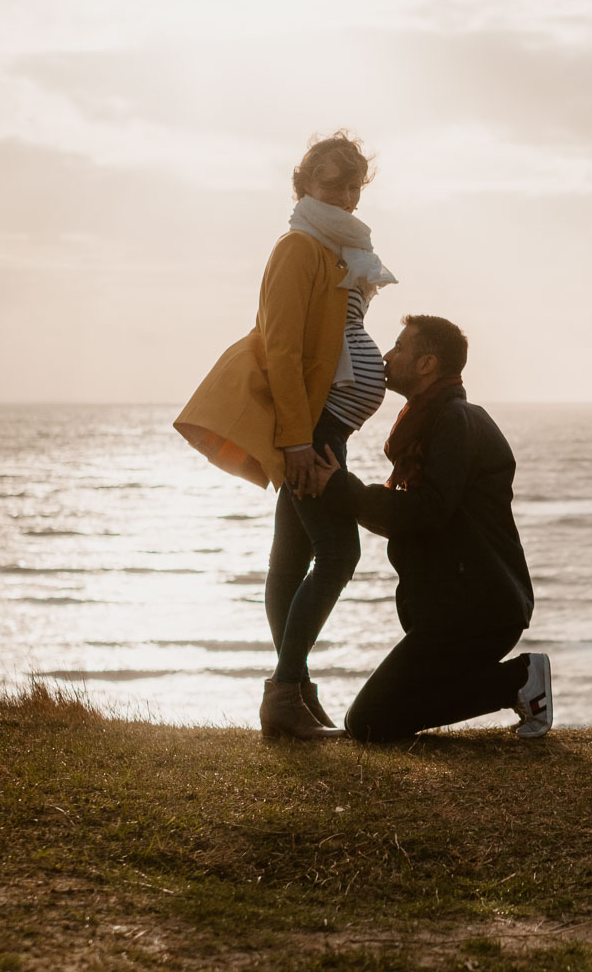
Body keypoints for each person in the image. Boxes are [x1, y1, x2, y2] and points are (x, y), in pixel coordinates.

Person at [174, 131, 396, 741]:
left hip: (328, 424)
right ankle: (285, 693)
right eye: (333, 185)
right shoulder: (300, 248)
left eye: (354, 185)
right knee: (340, 554)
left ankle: (294, 694)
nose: (347, 196)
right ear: (304, 187)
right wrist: (297, 439)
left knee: (292, 557)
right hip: (312, 428)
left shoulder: (336, 251)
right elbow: (282, 346)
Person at [310, 314, 549, 741]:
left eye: (400, 347)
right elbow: (416, 515)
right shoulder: (431, 422)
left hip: (476, 610)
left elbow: (427, 510)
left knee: (368, 722)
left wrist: (342, 489)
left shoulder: (456, 421)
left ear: (427, 364)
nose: (386, 356)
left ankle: (520, 679)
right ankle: (519, 682)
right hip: (457, 609)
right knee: (378, 718)